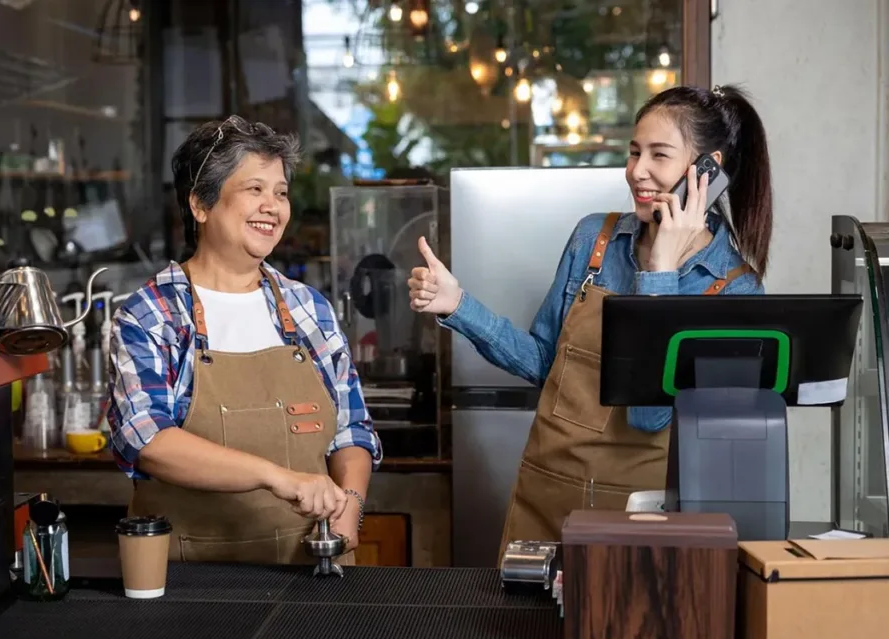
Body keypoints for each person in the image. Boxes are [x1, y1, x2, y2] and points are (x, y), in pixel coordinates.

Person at [408, 84, 772, 547]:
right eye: (634, 151)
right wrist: (459, 305)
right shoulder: (593, 241)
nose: (636, 171)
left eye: (658, 155)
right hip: (546, 499)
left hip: (642, 521)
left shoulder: (734, 289)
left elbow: (646, 417)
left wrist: (660, 272)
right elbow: (546, 363)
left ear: (707, 172)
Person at [107, 115, 382, 564]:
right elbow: (147, 440)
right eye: (255, 189)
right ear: (200, 204)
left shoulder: (307, 308)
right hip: (190, 580)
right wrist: (276, 477)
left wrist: (350, 504)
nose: (272, 206)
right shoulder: (154, 313)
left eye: (281, 192)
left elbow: (351, 428)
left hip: (311, 567)